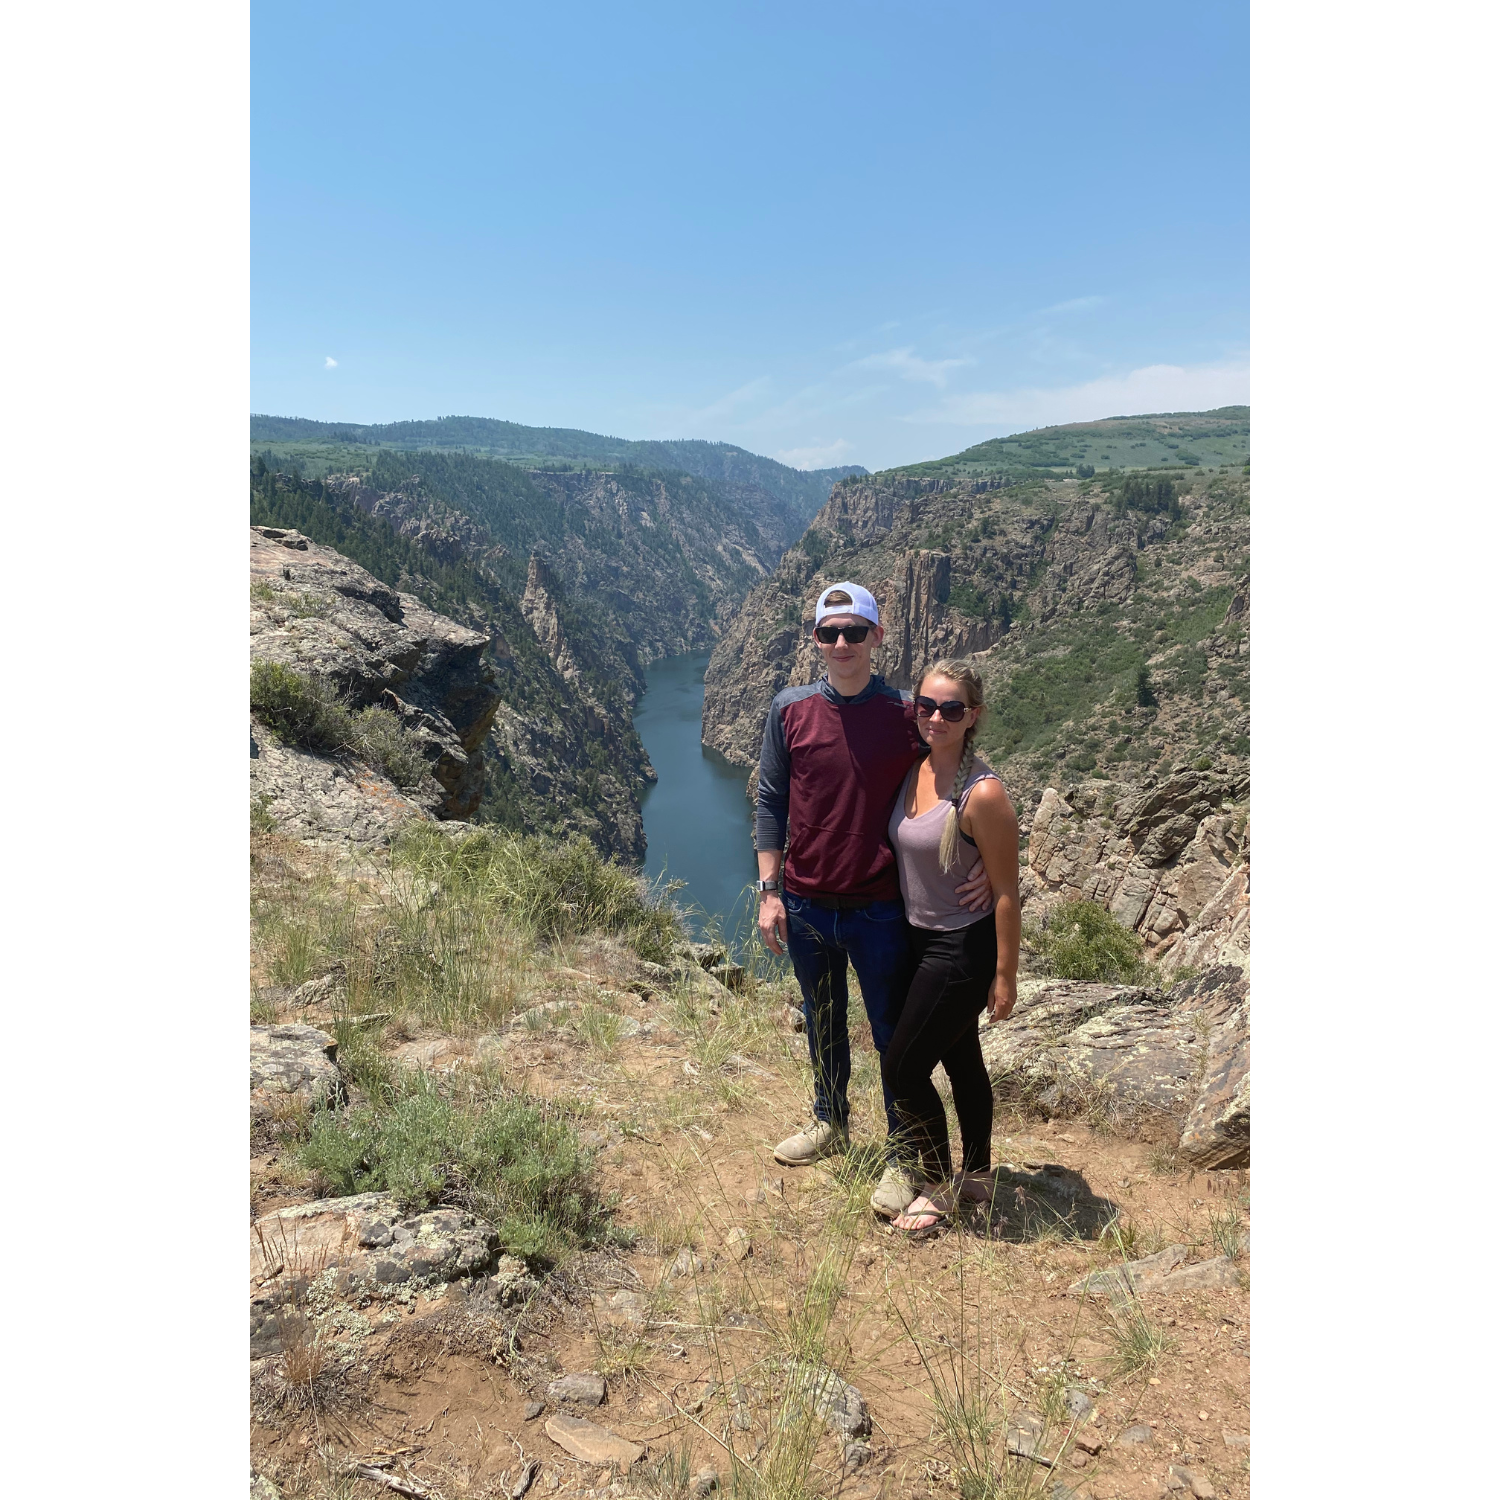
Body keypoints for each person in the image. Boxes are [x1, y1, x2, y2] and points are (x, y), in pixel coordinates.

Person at [754, 584, 992, 1218]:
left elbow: (960, 775)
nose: (841, 645)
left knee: (893, 1038)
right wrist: (769, 891)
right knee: (823, 1018)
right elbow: (771, 802)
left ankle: (902, 1152)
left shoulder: (903, 714)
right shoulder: (789, 710)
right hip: (804, 902)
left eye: (854, 633)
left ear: (876, 638)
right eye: (828, 633)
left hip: (881, 909)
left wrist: (991, 870)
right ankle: (830, 1122)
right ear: (815, 641)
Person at [879, 658, 1021, 1235]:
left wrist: (1005, 975)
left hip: (962, 948)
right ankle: (980, 1173)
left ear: (973, 717)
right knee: (963, 1059)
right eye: (927, 705)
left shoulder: (981, 792)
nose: (936, 716)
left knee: (903, 1067)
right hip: (920, 938)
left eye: (951, 709)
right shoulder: (914, 769)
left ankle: (936, 1185)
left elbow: (1008, 891)